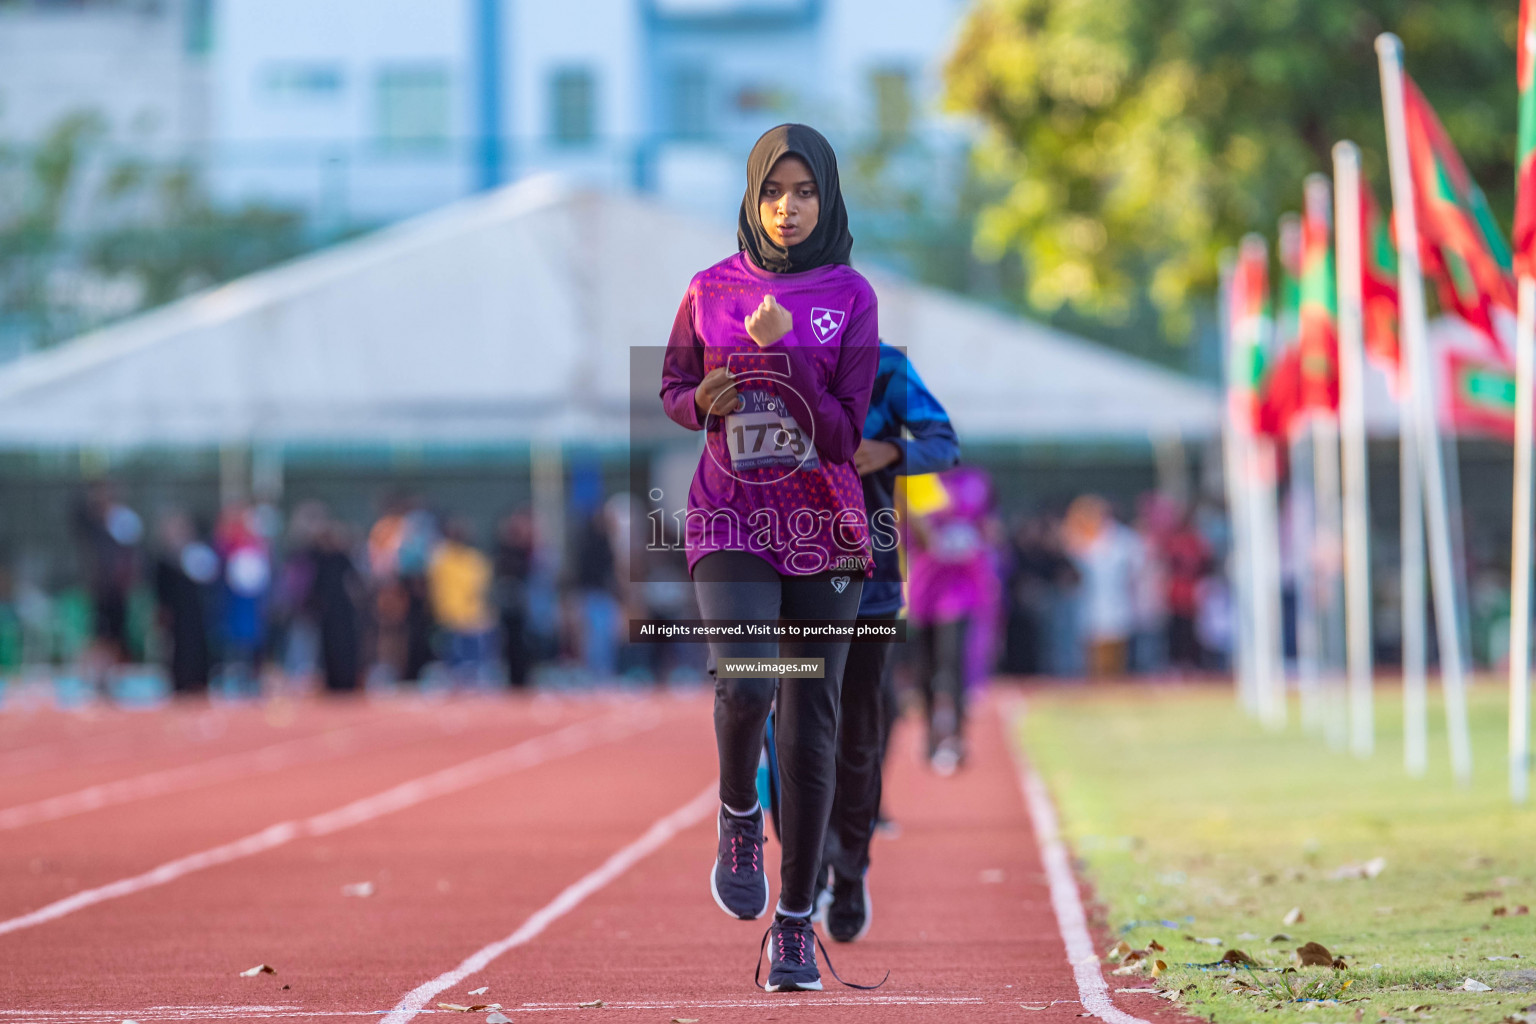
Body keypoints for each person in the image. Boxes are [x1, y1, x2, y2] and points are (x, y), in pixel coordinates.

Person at [659, 123, 880, 992]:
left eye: (805, 192)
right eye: (773, 192)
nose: (788, 209)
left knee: (810, 717)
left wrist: (779, 348)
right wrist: (701, 398)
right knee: (747, 680)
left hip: (823, 526)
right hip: (731, 517)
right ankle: (738, 813)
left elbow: (847, 432)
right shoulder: (708, 288)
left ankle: (795, 923)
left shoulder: (851, 296)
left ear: (826, 199)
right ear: (752, 198)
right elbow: (675, 388)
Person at [816, 341, 958, 943]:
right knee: (781, 728)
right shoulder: (751, 351)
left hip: (868, 583)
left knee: (857, 733)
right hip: (774, 572)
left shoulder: (885, 365)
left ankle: (849, 869)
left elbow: (943, 443)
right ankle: (811, 860)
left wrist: (890, 452)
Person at [906, 466, 998, 772]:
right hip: (924, 587)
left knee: (952, 661)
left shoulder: (974, 482)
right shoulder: (915, 482)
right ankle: (931, 734)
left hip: (961, 587)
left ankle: (957, 737)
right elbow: (906, 532)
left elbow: (983, 524)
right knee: (926, 668)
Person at [427, 518, 496, 688]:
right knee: (452, 657)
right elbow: (436, 588)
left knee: (475, 657)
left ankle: (475, 681)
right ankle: (455, 682)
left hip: (473, 616)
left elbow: (482, 590)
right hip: (450, 615)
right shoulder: (441, 559)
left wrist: (484, 613)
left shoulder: (475, 560)